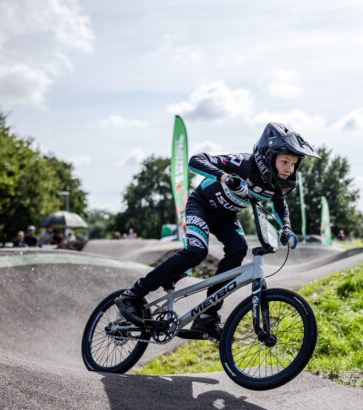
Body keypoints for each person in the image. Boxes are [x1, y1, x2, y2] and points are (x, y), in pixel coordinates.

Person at [115, 122, 319, 339]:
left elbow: (280, 205)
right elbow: (196, 160)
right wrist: (225, 177)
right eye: (285, 161)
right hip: (201, 205)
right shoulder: (242, 163)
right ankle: (132, 295)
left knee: (238, 249)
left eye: (293, 164)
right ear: (268, 156)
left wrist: (286, 228)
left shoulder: (274, 184)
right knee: (197, 251)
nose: (289, 169)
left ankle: (207, 316)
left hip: (226, 216)